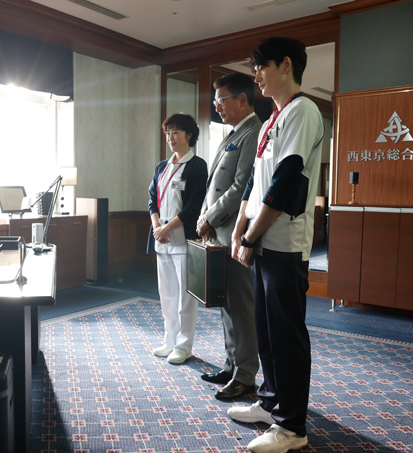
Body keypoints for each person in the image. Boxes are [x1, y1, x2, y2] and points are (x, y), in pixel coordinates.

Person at [227, 37, 324, 453]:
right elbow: (254, 181)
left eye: (261, 67)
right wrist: (239, 229)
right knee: (266, 331)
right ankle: (270, 403)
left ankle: (291, 427)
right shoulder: (272, 119)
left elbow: (286, 181)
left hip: (284, 243)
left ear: (286, 65)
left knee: (286, 335)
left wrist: (250, 236)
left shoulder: (303, 111)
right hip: (261, 240)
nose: (256, 77)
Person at [197, 73, 261, 400]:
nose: (217, 106)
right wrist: (204, 217)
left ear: (242, 99)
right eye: (215, 100)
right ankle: (231, 364)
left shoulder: (254, 131)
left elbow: (241, 187)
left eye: (221, 100)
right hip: (218, 232)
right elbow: (213, 185)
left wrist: (209, 217)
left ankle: (246, 374)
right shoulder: (232, 133)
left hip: (236, 233)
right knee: (226, 303)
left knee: (241, 305)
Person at [147, 113, 207, 364]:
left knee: (185, 296)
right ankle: (169, 341)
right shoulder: (162, 167)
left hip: (183, 238)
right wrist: (157, 228)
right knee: (167, 294)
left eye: (176, 132)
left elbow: (193, 206)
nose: (171, 138)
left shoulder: (197, 165)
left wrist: (167, 228)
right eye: (168, 133)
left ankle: (183, 346)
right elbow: (152, 200)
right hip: (162, 239)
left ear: (189, 135)